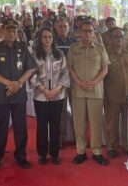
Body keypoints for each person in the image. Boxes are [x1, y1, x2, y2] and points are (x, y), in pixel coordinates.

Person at [0, 18, 36, 170]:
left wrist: (18, 83)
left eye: (14, 30)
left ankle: (21, 156)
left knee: (21, 127)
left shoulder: (23, 48)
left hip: (19, 95)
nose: (12, 33)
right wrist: (9, 83)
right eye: (9, 30)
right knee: (0, 127)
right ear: (3, 31)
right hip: (1, 94)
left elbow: (30, 68)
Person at [66, 21, 109, 166]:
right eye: (85, 31)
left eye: (90, 31)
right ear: (79, 33)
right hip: (78, 91)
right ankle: (81, 151)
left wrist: (95, 81)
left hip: (95, 90)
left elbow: (105, 69)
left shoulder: (100, 49)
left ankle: (97, 152)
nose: (87, 34)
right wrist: (78, 82)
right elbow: (70, 68)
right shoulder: (73, 49)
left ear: (94, 33)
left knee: (96, 123)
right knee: (79, 124)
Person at [30, 27, 70, 165]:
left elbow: (65, 73)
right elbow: (32, 74)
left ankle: (54, 154)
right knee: (41, 125)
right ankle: (42, 154)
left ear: (53, 39)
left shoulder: (59, 54)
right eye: (44, 37)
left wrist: (56, 90)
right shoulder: (35, 55)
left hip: (57, 95)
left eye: (50, 37)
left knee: (55, 124)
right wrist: (44, 90)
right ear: (40, 39)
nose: (47, 39)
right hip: (40, 96)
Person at [104, 27, 128, 158]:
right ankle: (111, 146)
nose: (119, 39)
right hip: (112, 94)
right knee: (111, 122)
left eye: (121, 36)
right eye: (116, 36)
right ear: (110, 38)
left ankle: (126, 145)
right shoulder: (105, 54)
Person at [53, 18, 77, 144]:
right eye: (60, 26)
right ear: (56, 28)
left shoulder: (75, 42)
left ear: (69, 27)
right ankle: (61, 137)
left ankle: (78, 137)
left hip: (74, 80)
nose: (63, 28)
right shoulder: (52, 42)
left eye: (65, 26)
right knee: (60, 110)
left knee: (76, 109)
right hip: (58, 81)